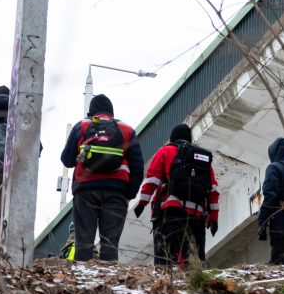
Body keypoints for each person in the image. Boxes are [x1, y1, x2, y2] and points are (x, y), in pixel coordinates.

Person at [60, 94, 143, 261]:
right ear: (111, 113)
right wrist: (129, 193)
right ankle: (109, 283)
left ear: (91, 113)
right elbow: (138, 167)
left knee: (83, 241)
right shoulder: (126, 130)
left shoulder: (82, 126)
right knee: (110, 243)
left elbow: (67, 160)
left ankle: (83, 280)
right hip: (116, 192)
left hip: (85, 191)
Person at [134, 124, 219, 267]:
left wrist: (142, 203)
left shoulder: (165, 151)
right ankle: (193, 287)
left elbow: (152, 181)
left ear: (173, 137)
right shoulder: (202, 158)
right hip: (197, 216)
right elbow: (213, 190)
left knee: (165, 260)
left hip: (170, 213)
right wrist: (214, 219)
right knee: (194, 262)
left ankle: (167, 287)